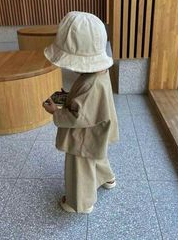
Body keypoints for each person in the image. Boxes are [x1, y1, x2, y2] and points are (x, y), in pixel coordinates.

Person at [43, 11, 119, 213]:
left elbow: (78, 116)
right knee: (97, 153)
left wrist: (54, 112)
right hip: (98, 128)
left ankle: (80, 203)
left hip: (84, 134)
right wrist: (68, 96)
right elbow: (88, 105)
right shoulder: (99, 74)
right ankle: (107, 178)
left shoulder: (90, 84)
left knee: (80, 167)